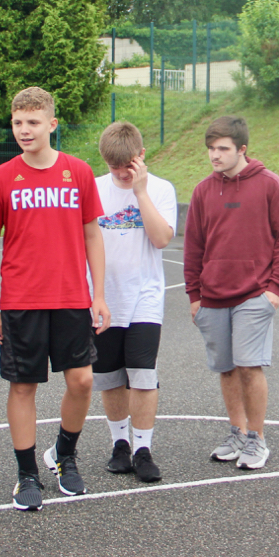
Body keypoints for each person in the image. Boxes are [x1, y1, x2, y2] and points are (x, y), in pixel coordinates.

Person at [0, 87, 109, 511]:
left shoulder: (78, 172)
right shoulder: (1, 178)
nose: (24, 130)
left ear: (52, 124)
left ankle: (65, 455)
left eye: (33, 122)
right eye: (18, 122)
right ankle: (27, 474)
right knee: (23, 386)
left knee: (82, 381)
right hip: (21, 299)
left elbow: (93, 235)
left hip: (71, 296)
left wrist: (99, 294)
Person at [184, 115, 279, 470]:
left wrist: (275, 289)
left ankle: (256, 439)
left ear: (242, 149)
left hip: (254, 294)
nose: (214, 155)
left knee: (249, 367)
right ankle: (237, 432)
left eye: (222, 149)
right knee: (227, 369)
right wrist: (194, 296)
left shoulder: (270, 185)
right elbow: (193, 246)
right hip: (212, 296)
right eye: (210, 148)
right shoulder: (203, 191)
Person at [92, 121, 177, 483]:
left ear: (141, 156)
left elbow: (161, 239)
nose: (122, 174)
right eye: (114, 168)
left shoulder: (160, 189)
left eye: (128, 166)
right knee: (109, 375)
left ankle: (143, 449)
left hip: (144, 297)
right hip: (103, 297)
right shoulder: (94, 188)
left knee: (143, 375)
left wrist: (140, 192)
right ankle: (120, 445)